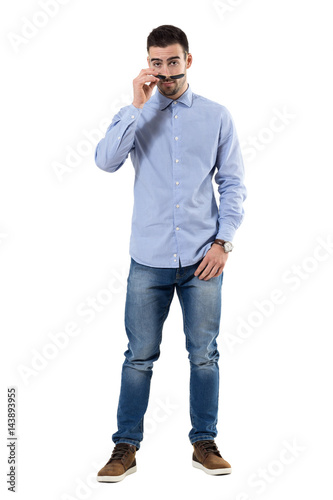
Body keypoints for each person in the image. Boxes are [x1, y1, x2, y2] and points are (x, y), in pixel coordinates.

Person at [94, 25, 247, 482]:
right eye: (156, 63)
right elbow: (105, 161)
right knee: (139, 355)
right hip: (149, 258)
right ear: (148, 64)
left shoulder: (217, 115)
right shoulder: (135, 114)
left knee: (204, 354)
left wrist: (224, 242)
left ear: (189, 61)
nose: (164, 71)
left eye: (173, 61)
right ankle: (126, 447)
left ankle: (204, 443)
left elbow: (234, 183)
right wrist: (136, 109)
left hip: (204, 260)